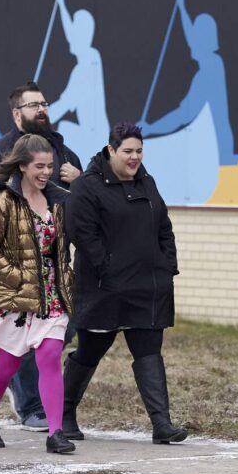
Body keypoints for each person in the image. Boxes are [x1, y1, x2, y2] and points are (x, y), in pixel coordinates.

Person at [0, 81, 82, 431]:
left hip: (55, 273)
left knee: (53, 342)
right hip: (16, 275)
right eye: (34, 105)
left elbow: (83, 206)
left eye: (44, 103)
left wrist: (81, 180)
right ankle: (26, 405)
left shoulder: (63, 152)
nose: (42, 109)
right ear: (17, 114)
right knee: (17, 354)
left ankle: (53, 425)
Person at [62, 122, 188, 444]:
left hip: (148, 288)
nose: (134, 158)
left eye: (139, 151)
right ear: (111, 150)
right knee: (90, 351)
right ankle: (64, 413)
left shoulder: (147, 182)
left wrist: (166, 266)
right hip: (104, 289)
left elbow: (164, 227)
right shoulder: (87, 187)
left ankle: (162, 425)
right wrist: (108, 268)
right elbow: (82, 234)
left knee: (149, 352)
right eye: (128, 151)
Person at [138, 0, 238, 165]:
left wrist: (152, 128)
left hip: (215, 148)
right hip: (216, 142)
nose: (191, 43)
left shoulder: (207, 73)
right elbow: (192, 36)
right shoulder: (214, 62)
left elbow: (183, 115)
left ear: (203, 42)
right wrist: (182, 7)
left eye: (196, 39)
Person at [48, 0, 109, 164]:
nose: (70, 38)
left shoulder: (86, 68)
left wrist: (37, 119)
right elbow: (71, 34)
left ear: (82, 36)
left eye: (75, 32)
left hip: (94, 138)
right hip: (93, 134)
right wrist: (61, 3)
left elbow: (63, 105)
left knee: (61, 132)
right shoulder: (91, 56)